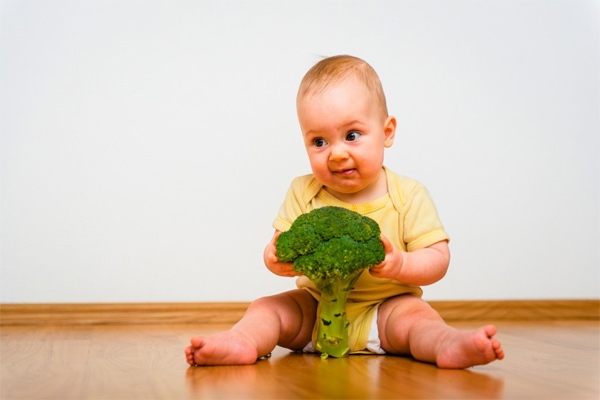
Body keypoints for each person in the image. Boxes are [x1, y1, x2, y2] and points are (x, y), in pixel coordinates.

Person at [185, 55, 504, 369]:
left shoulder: (408, 194)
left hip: (386, 313)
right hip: (313, 310)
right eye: (319, 141)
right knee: (266, 308)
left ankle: (447, 344)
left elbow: (438, 259)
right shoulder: (302, 190)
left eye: (352, 136)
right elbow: (282, 244)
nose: (337, 154)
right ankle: (242, 341)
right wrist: (275, 259)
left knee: (419, 318)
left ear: (387, 132)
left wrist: (400, 264)